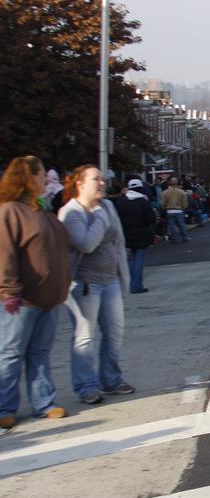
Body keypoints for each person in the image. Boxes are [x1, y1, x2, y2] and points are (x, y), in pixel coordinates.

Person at [0, 156, 71, 427]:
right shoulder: (10, 211)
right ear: (28, 178)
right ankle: (4, 407)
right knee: (10, 352)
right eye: (42, 174)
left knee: (39, 352)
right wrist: (8, 290)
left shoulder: (41, 210)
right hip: (21, 299)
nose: (47, 178)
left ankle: (44, 402)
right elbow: (4, 253)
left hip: (49, 297)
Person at [59, 165, 135, 404]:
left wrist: (125, 278)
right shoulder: (71, 213)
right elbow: (86, 244)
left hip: (110, 280)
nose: (102, 183)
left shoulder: (109, 206)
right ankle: (86, 386)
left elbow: (118, 244)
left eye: (103, 179)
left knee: (114, 332)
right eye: (96, 179)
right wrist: (100, 217)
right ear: (80, 184)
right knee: (84, 337)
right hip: (85, 284)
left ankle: (111, 380)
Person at [114, 178, 157, 294]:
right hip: (141, 233)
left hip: (126, 233)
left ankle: (128, 283)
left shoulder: (121, 202)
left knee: (132, 258)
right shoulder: (143, 202)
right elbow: (151, 219)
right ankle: (136, 284)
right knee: (139, 258)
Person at [160, 177, 189, 243]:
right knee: (181, 225)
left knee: (172, 226)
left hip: (169, 210)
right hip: (179, 210)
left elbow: (162, 203)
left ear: (170, 183)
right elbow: (185, 203)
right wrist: (184, 208)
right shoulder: (181, 192)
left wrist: (164, 208)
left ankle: (175, 238)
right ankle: (184, 237)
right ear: (177, 183)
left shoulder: (165, 192)